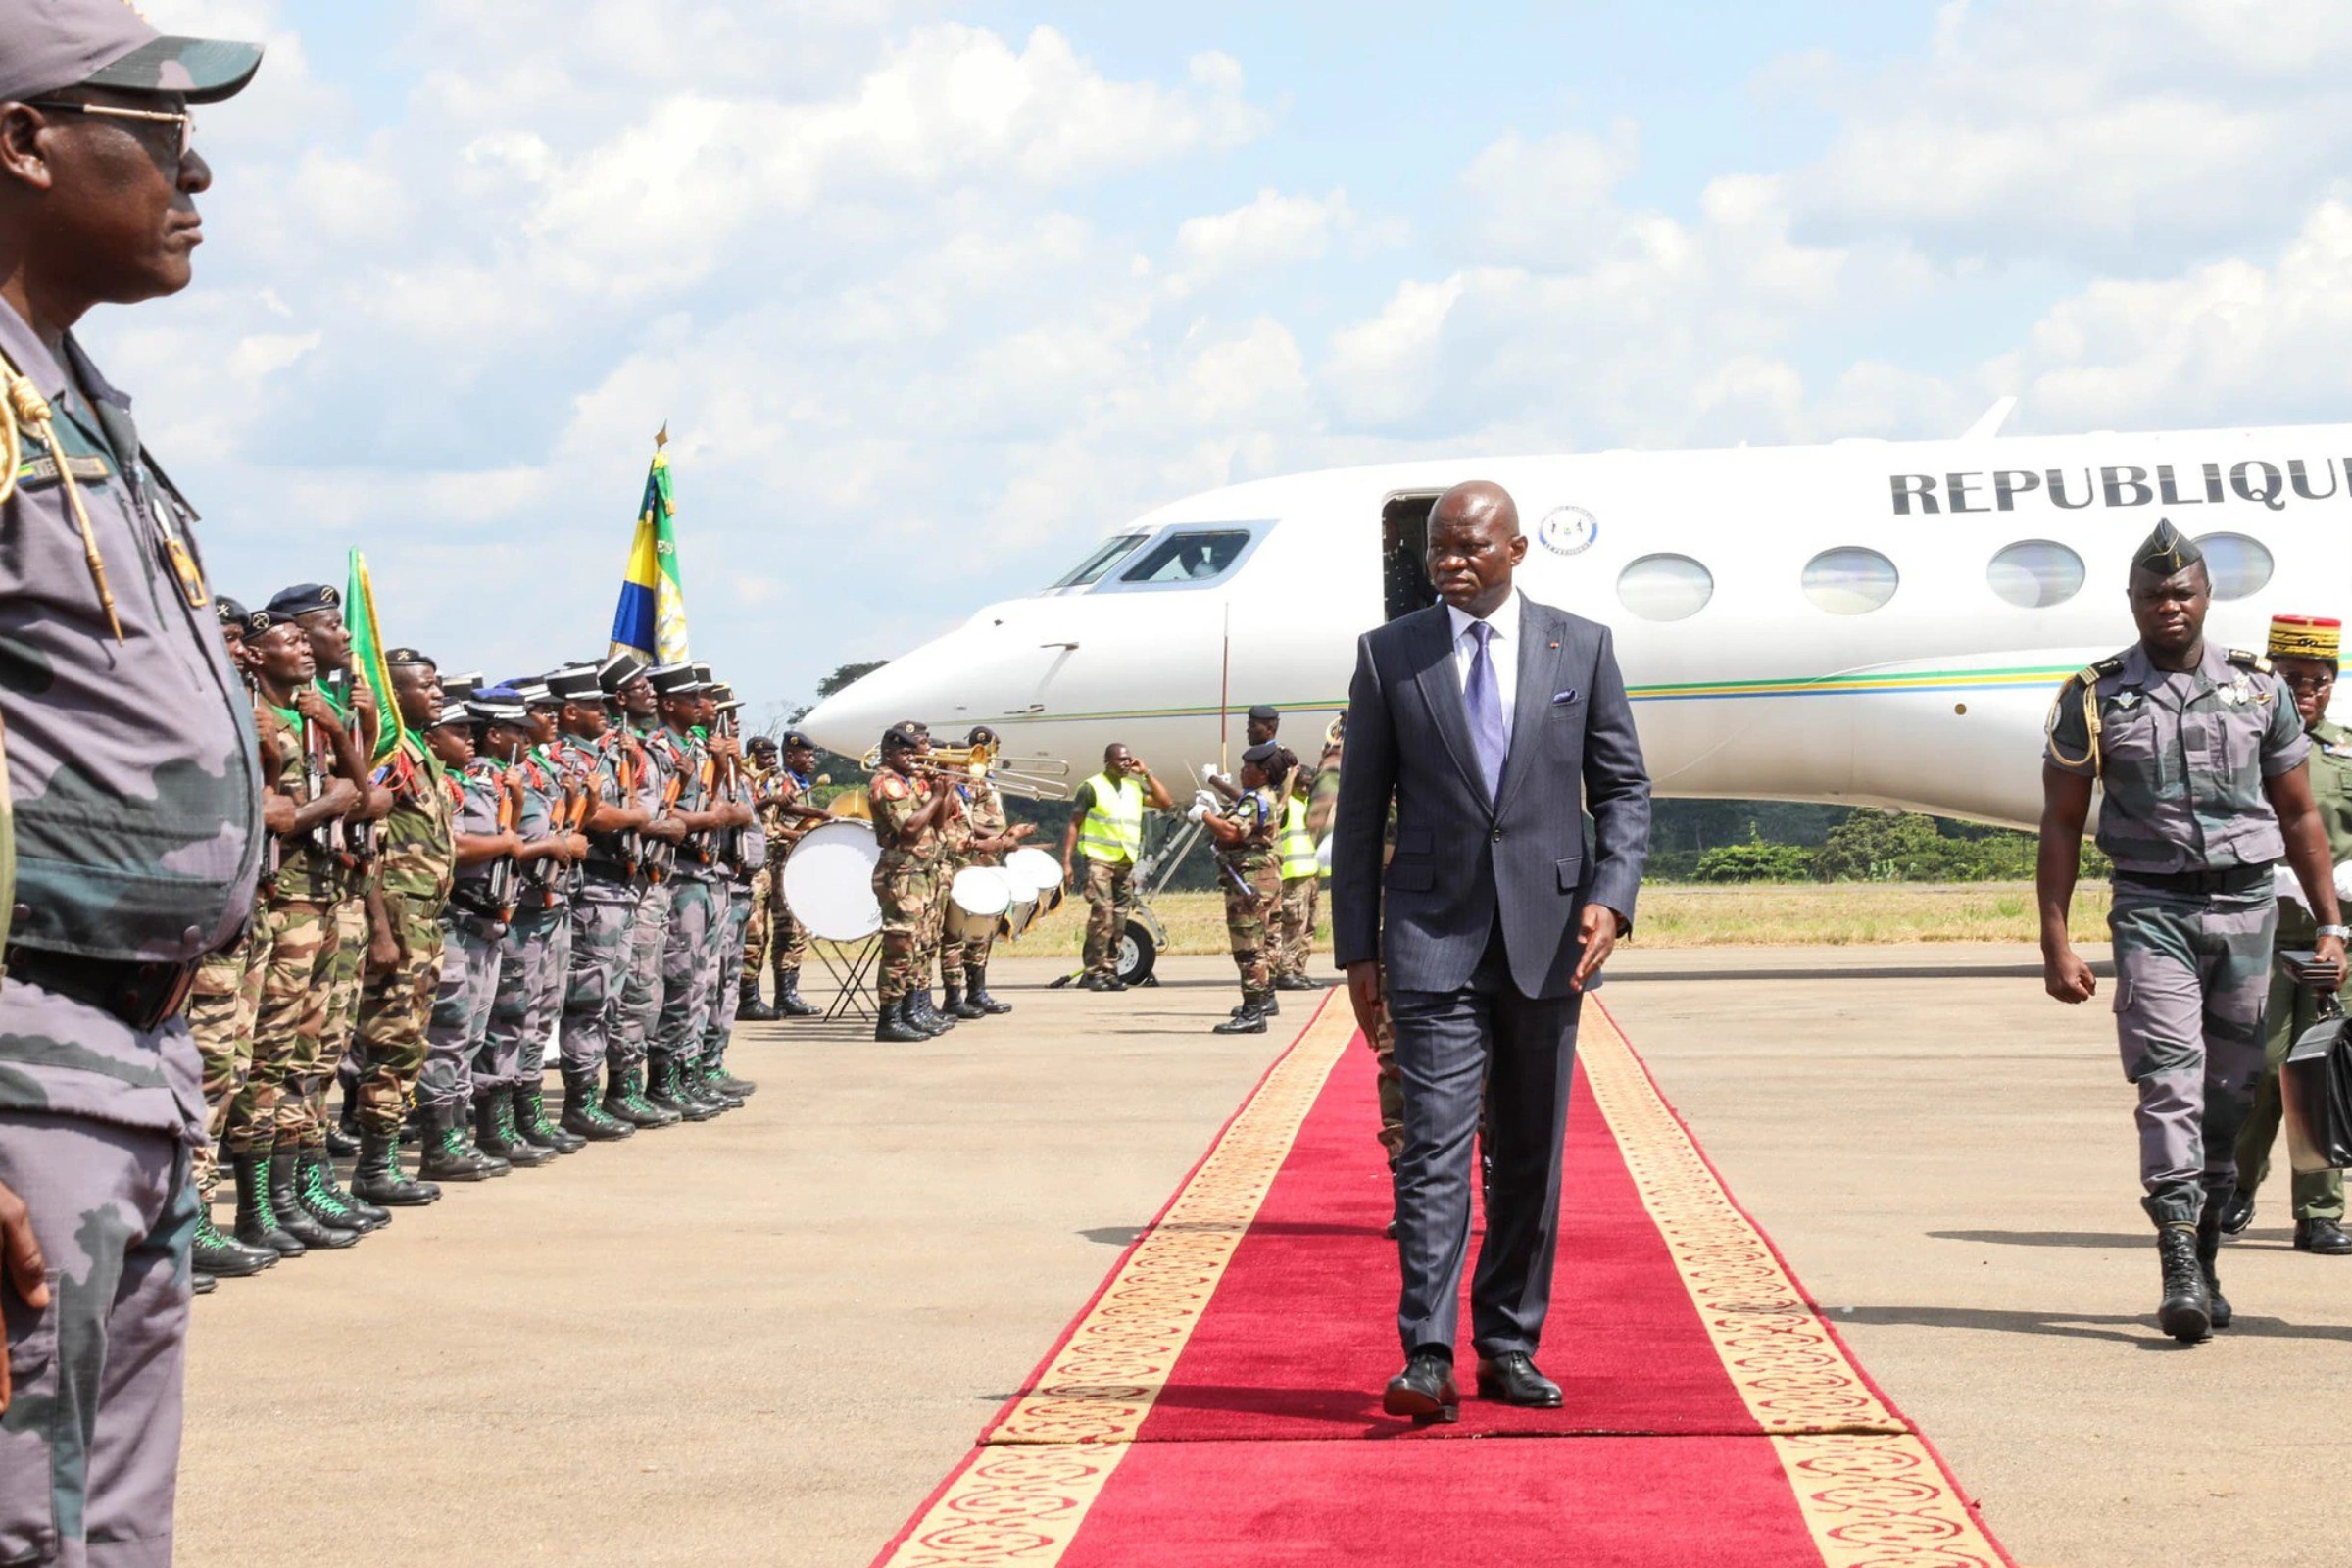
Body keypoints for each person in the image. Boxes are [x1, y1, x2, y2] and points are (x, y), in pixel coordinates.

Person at [0, 13, 267, 1551]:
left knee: (104, 1530)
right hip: (23, 1059)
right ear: (25, 142)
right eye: (156, 132)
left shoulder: (72, 390)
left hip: (128, 1061)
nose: (196, 166)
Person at [1332, 478, 1651, 1423]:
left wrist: (1613, 897)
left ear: (1516, 551)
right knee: (1433, 1150)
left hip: (1551, 939)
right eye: (1438, 549)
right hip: (1429, 936)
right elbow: (1359, 817)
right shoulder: (1391, 655)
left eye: (1470, 547)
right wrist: (1359, 945)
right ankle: (1425, 1357)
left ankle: (1508, 1344)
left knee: (1530, 1156)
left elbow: (1624, 790)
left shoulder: (1581, 647)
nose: (1451, 562)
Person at [2039, 521, 2347, 1344]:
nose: (2169, 607)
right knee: (2170, 1080)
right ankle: (2176, 1252)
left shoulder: (2259, 689)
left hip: (2248, 911)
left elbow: (2299, 812)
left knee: (2231, 1096)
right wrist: (2056, 939)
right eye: (2153, 595)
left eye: (2182, 593)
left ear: (2206, 599)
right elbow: (2063, 823)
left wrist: (2331, 925)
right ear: (2133, 604)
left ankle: (2207, 1253)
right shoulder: (2095, 696)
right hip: (2152, 910)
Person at [239, 608, 375, 1248]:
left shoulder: (313, 718)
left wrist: (353, 731)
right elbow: (283, 815)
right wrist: (329, 801)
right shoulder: (259, 718)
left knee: (315, 1054)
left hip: (322, 900)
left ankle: (299, 1190)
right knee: (267, 1058)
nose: (306, 648)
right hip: (282, 903)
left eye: (303, 638)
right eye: (290, 639)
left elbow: (369, 795)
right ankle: (257, 1205)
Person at [2225, 615, 2352, 1252]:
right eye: (2295, 678)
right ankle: (2237, 1187)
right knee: (2264, 1070)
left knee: (2325, 1072)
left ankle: (2321, 1212)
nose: (2307, 690)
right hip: (2262, 938)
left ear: (2333, 684)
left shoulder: (2347, 751)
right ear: (2273, 677)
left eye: (2319, 681)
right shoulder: (2243, 745)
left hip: (2337, 944)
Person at [343, 648, 455, 1207]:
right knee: (390, 1043)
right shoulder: (390, 755)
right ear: (397, 695)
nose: (437, 694)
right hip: (398, 921)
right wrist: (381, 931)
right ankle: (373, 1167)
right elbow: (364, 840)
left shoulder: (419, 752)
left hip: (425, 921)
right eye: (427, 686)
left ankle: (380, 1162)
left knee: (409, 1043)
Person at [416, 688, 529, 1182]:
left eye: (469, 731)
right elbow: (454, 846)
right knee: (447, 1037)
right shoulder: (445, 786)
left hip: (488, 923)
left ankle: (458, 1136)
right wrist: (505, 841)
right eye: (458, 732)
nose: (468, 740)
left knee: (472, 1035)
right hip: (456, 922)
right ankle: (440, 1144)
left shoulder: (486, 783)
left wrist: (518, 803)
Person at [551, 657, 649, 1140]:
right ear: (570, 712)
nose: (604, 710)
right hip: (593, 887)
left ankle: (604, 1093)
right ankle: (579, 1101)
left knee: (612, 997)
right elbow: (594, 817)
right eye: (593, 704)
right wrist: (638, 817)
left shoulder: (606, 755)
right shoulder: (568, 759)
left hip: (619, 886)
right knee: (589, 999)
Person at [1059, 742, 1175, 991]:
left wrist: (1146, 773)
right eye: (1121, 760)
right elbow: (1074, 824)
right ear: (1107, 762)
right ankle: (1093, 971)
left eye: (1128, 759)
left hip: (1124, 861)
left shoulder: (1133, 788)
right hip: (1098, 859)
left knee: (1120, 917)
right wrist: (1067, 861)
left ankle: (1110, 969)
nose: (1125, 764)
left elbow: (1166, 802)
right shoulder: (1091, 788)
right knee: (1102, 913)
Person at [871, 725, 961, 1042]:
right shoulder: (887, 784)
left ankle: (913, 1009)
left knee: (920, 946)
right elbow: (909, 828)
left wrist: (945, 790)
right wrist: (936, 795)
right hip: (901, 876)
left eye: (913, 751)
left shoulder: (909, 783)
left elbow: (938, 822)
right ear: (887, 754)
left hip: (920, 873)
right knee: (900, 947)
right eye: (904, 752)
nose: (912, 757)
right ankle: (889, 1017)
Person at [1195, 742, 1285, 1033]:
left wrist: (1205, 816)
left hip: (1249, 880)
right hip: (1266, 877)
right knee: (1265, 941)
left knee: (1248, 947)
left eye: (1248, 768)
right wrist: (1218, 811)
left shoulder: (1253, 800)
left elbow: (1232, 833)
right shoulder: (1267, 796)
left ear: (1264, 773)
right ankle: (1261, 1001)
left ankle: (1252, 1012)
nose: (1243, 772)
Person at [948, 725, 1033, 1016]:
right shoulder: (968, 781)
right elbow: (967, 822)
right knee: (963, 930)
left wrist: (1006, 837)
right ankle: (958, 996)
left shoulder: (983, 777)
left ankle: (976, 990)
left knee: (983, 930)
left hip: (987, 855)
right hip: (971, 858)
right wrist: (998, 839)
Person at [1273, 752, 1324, 990]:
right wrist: (1288, 780)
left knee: (1309, 925)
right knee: (1293, 924)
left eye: (1308, 785)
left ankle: (1299, 969)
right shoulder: (1288, 805)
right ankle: (1285, 970)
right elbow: (1278, 809)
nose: (1304, 789)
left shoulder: (1310, 805)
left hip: (1312, 874)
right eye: (1300, 784)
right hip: (1293, 875)